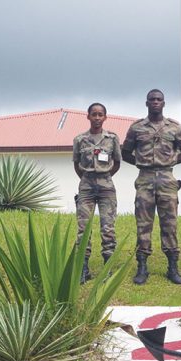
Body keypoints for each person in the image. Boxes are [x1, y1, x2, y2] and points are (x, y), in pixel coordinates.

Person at [121, 89, 181, 285]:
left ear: (164, 103)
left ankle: (173, 267)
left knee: (169, 224)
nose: (155, 102)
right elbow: (125, 152)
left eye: (158, 100)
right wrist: (140, 162)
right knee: (143, 224)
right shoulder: (137, 128)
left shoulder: (174, 128)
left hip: (167, 179)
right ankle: (142, 266)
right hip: (144, 178)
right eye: (152, 100)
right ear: (146, 103)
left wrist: (170, 160)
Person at [72, 102, 121, 283]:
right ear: (88, 116)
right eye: (94, 114)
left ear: (105, 117)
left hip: (106, 187)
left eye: (101, 114)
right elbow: (76, 164)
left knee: (108, 227)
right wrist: (87, 178)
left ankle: (107, 269)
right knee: (83, 228)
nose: (97, 118)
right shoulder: (80, 140)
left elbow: (116, 162)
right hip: (86, 187)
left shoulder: (112, 138)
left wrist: (104, 176)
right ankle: (83, 269)